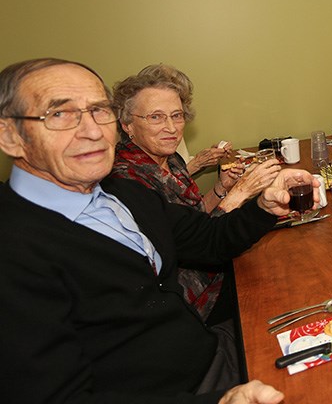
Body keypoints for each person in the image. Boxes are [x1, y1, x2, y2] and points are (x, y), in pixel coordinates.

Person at [0, 58, 306, 403]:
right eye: (59, 115)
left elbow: (208, 238)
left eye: (100, 110)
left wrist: (264, 206)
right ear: (10, 136)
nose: (93, 130)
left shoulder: (120, 192)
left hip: (210, 347)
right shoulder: (13, 245)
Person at [110, 64, 282, 323]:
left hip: (213, 263)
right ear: (127, 125)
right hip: (193, 295)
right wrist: (242, 192)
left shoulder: (169, 157)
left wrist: (221, 189)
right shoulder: (127, 181)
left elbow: (193, 218)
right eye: (156, 117)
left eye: (177, 115)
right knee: (277, 278)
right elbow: (202, 244)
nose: (171, 127)